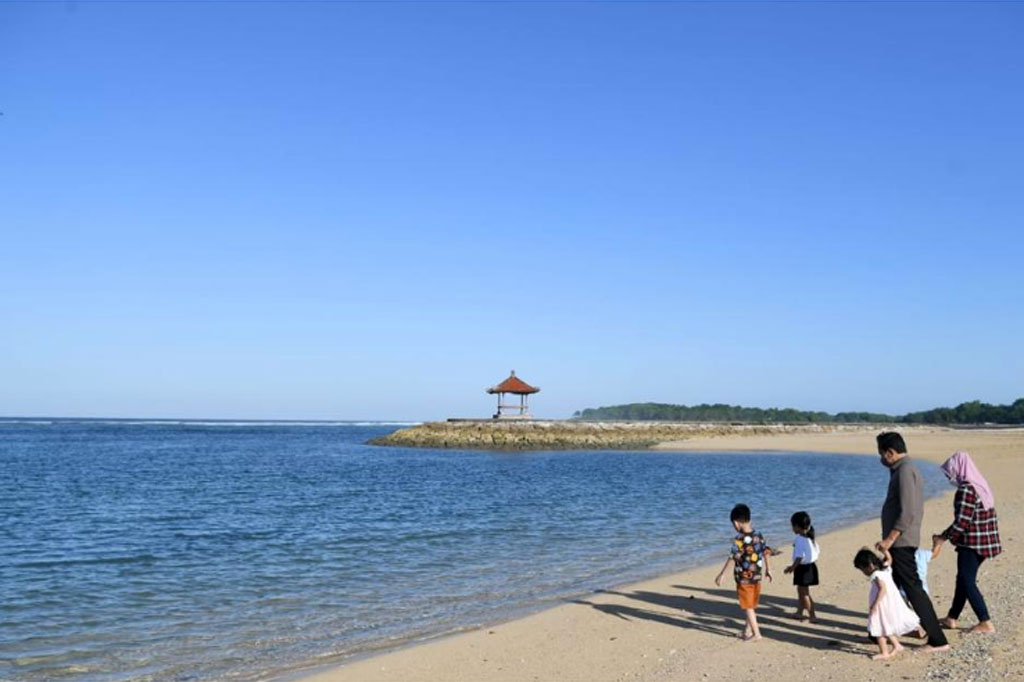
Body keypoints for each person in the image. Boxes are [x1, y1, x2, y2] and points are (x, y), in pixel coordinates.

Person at [876, 431, 949, 652]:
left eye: (882, 454)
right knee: (897, 587)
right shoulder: (902, 470)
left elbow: (908, 512)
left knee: (913, 589)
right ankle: (896, 630)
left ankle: (937, 639)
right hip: (901, 541)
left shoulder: (905, 471)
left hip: (902, 542)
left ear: (891, 452)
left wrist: (890, 539)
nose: (881, 459)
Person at [931, 450, 1001, 634]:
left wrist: (942, 538)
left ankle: (985, 621)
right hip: (986, 542)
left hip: (973, 544)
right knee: (962, 579)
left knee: (967, 581)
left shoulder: (967, 489)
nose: (949, 478)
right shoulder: (980, 485)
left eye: (950, 473)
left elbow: (962, 521)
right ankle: (952, 617)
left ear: (959, 470)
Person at [715, 503, 772, 642]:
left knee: (747, 606)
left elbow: (732, 558)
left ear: (736, 522)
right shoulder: (758, 535)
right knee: (751, 605)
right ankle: (747, 630)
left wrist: (722, 574)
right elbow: (766, 551)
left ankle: (757, 634)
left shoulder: (739, 539)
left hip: (744, 579)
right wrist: (769, 569)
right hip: (757, 577)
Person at [854, 546, 920, 660]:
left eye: (863, 569)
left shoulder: (876, 575)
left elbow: (882, 589)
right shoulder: (884, 568)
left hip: (881, 604)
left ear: (870, 565)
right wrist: (885, 551)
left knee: (878, 628)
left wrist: (875, 605)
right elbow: (890, 559)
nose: (864, 572)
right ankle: (897, 645)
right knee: (886, 625)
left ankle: (884, 652)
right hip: (890, 602)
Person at [783, 510, 819, 622]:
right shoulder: (810, 537)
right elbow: (816, 552)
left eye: (793, 526)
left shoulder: (800, 539)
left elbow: (799, 557)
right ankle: (799, 612)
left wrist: (791, 567)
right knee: (801, 590)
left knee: (805, 594)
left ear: (797, 526)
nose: (792, 529)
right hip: (811, 567)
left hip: (803, 569)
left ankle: (812, 615)